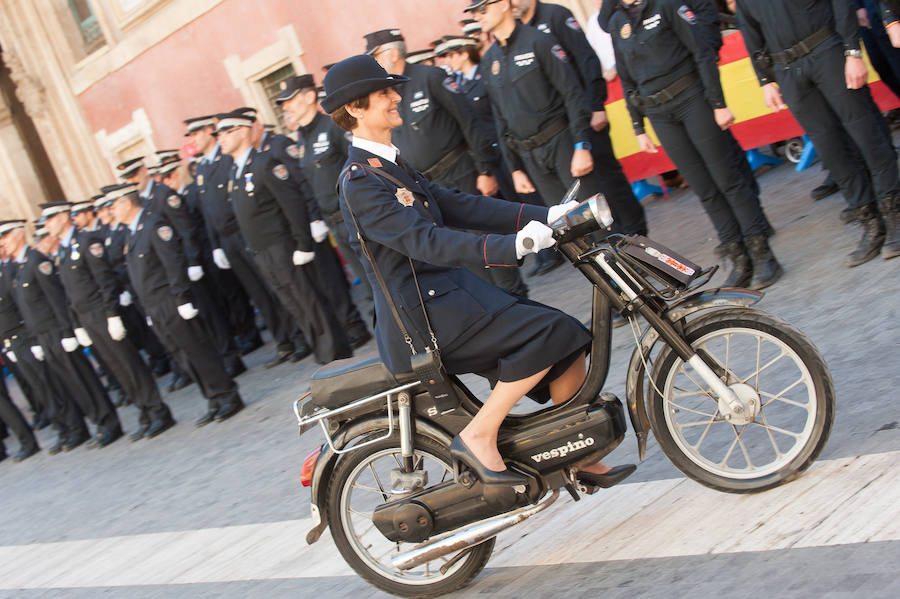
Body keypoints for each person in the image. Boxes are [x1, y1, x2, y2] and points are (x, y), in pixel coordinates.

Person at [322, 54, 633, 489]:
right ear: (354, 109)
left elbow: (462, 205)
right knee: (552, 332)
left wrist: (552, 214)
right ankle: (479, 435)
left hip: (447, 297)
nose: (396, 98)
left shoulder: (389, 165)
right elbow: (428, 241)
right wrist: (516, 245)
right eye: (383, 94)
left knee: (566, 342)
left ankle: (578, 454)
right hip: (419, 319)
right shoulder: (360, 182)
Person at [608, 0, 782, 289]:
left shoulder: (666, 5)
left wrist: (717, 103)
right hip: (660, 114)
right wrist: (638, 126)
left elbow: (702, 52)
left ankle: (763, 253)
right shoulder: (617, 21)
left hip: (692, 100)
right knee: (704, 188)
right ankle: (738, 256)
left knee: (728, 180)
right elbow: (627, 78)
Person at [470, 0, 648, 280]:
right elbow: (500, 119)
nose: (477, 16)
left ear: (504, 5)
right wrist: (515, 167)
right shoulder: (490, 59)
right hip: (532, 156)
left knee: (596, 222)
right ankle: (614, 293)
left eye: (482, 9)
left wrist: (582, 145)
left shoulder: (539, 41)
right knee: (568, 231)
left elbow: (572, 96)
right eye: (473, 12)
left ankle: (634, 284)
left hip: (563, 143)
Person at [737, 0, 900, 265]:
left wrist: (852, 51)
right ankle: (870, 221)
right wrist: (765, 81)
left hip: (828, 52)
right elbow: (750, 32)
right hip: (788, 70)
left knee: (867, 136)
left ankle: (894, 213)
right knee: (830, 149)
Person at [215, 111, 353, 365]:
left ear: (243, 131)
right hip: (263, 251)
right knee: (295, 304)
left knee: (310, 300)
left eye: (225, 132)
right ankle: (323, 355)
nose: (220, 139)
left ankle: (336, 355)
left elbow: (292, 203)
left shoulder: (265, 163)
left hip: (284, 246)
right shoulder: (236, 172)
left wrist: (303, 243)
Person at [109, 183, 245, 426]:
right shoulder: (132, 232)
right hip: (154, 306)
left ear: (126, 203)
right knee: (183, 356)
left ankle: (227, 394)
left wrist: (182, 298)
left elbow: (173, 263)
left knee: (198, 349)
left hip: (171, 301)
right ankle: (213, 398)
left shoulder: (154, 225)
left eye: (113, 206)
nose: (111, 212)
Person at [186, 114, 310, 367]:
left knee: (274, 286)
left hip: (248, 232)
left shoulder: (228, 159)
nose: (194, 140)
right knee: (258, 292)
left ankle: (299, 336)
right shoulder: (203, 168)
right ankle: (283, 339)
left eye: (197, 133)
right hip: (227, 239)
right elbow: (208, 211)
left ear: (210, 131)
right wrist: (217, 243)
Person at [45, 202, 175, 442]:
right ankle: (144, 412)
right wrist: (77, 324)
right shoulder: (62, 252)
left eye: (51, 219)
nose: (47, 225)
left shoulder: (87, 241)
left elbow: (105, 280)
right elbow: (69, 294)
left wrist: (112, 314)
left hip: (103, 313)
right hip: (87, 318)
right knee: (116, 368)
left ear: (64, 217)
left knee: (129, 363)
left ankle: (158, 410)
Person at [5, 210, 123, 449]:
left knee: (83, 379)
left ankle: (108, 422)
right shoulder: (21, 267)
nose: (2, 243)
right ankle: (98, 422)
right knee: (73, 383)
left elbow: (57, 299)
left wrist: (69, 330)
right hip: (43, 335)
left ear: (18, 235)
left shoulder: (37, 261)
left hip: (58, 332)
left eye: (5, 236)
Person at [275, 75, 376, 306]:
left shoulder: (334, 127)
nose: (286, 107)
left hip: (358, 216)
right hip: (334, 222)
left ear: (310, 96)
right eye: (283, 104)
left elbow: (364, 164)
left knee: (383, 276)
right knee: (370, 285)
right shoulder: (302, 141)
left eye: (290, 100)